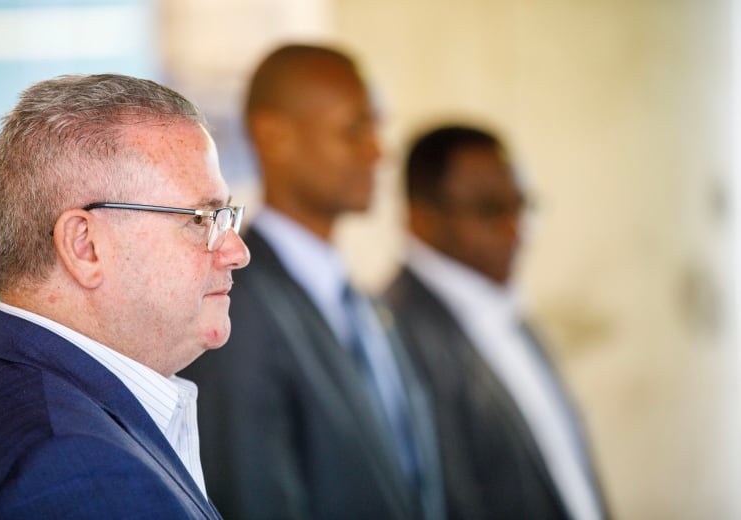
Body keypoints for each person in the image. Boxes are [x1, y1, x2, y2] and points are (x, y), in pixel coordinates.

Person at [0, 73, 250, 519]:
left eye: (227, 215)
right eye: (201, 219)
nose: (237, 251)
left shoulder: (4, 398)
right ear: (85, 246)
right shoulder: (72, 471)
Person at [179, 44, 445, 520]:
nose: (378, 151)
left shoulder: (363, 303)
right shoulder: (232, 309)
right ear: (273, 135)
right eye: (354, 129)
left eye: (378, 126)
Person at [385, 124, 610, 520]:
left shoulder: (507, 310)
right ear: (422, 217)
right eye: (490, 209)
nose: (515, 230)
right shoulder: (396, 332)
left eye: (521, 206)